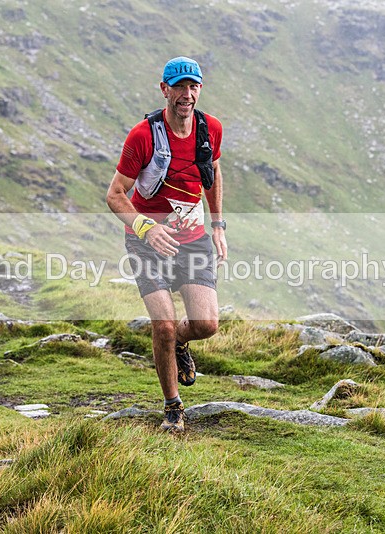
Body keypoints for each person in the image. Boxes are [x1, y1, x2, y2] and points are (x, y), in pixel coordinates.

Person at [106, 56, 227, 433]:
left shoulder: (210, 130)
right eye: (179, 87)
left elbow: (213, 171)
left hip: (192, 241)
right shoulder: (143, 136)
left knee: (206, 324)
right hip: (147, 243)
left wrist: (218, 224)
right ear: (164, 90)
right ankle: (173, 406)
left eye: (193, 86)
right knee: (163, 323)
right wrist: (145, 227)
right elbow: (114, 195)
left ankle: (179, 343)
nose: (186, 94)